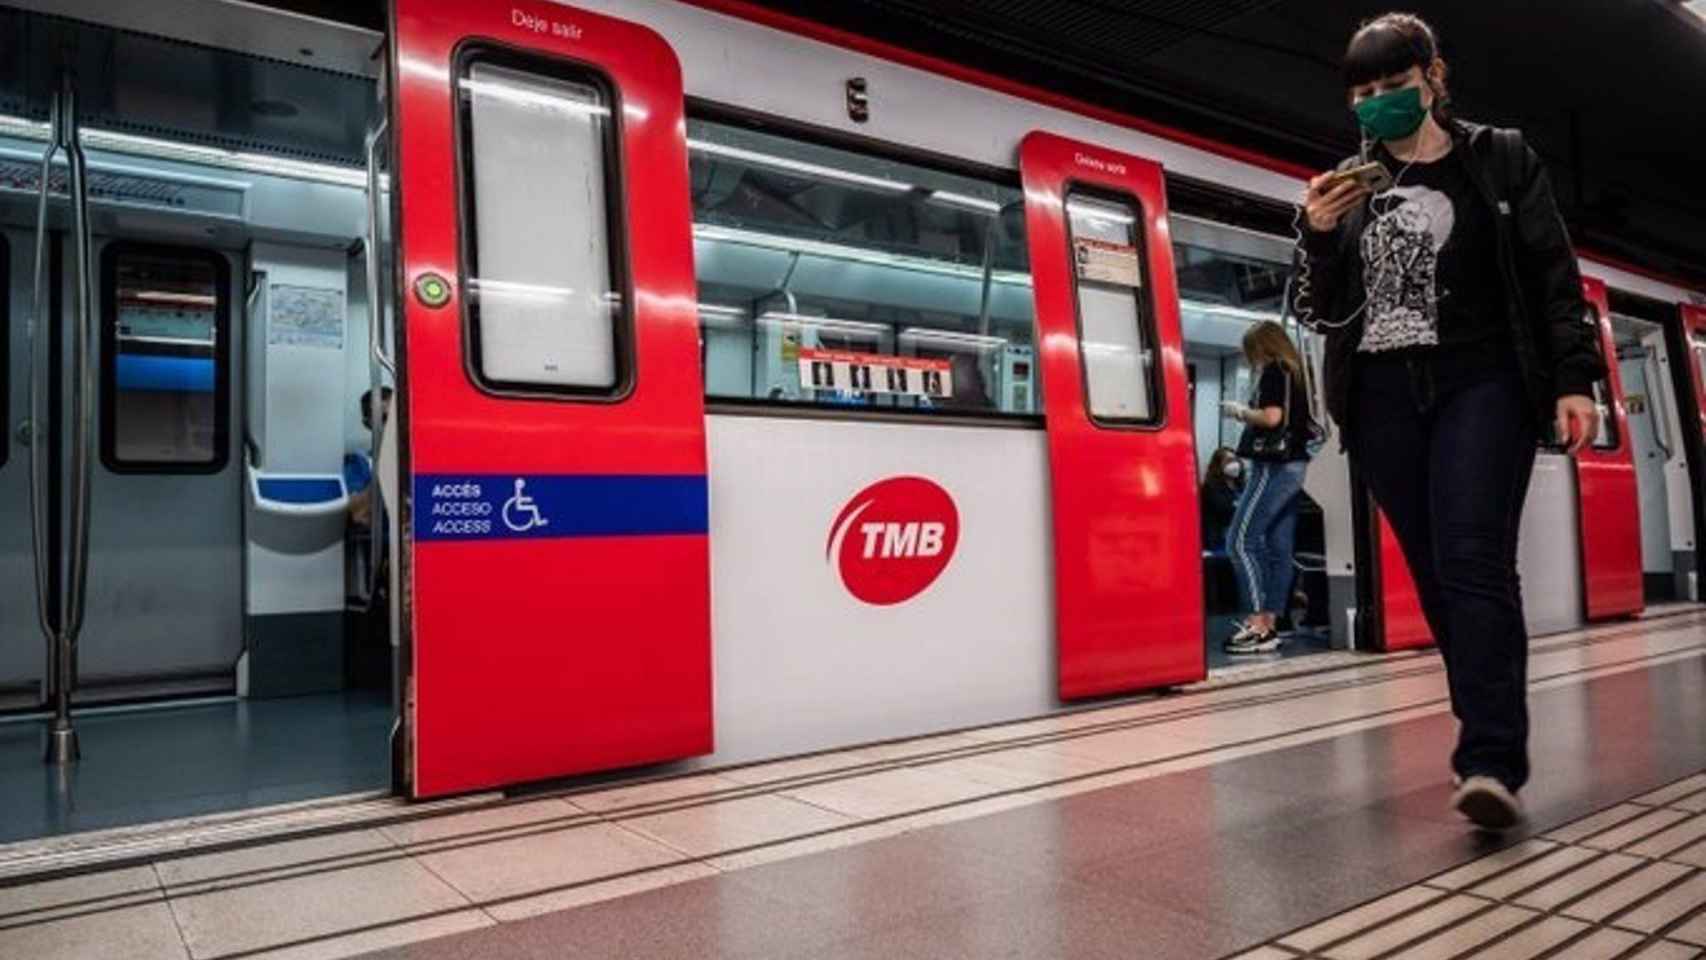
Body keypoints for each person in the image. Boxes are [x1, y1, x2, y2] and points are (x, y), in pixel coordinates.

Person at [1294, 13, 1603, 829]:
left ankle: (1491, 758)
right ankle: (1486, 729)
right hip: (1384, 395)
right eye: (1362, 93)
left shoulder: (1498, 158)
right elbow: (1328, 312)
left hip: (1484, 379)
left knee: (1473, 558)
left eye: (1393, 86)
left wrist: (1574, 377)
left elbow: (1550, 269)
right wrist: (1320, 237)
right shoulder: (1351, 187)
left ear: (1433, 78)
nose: (1377, 103)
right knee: (1435, 574)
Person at [1221, 321, 1313, 656]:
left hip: (1272, 466)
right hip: (1295, 467)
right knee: (1278, 549)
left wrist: (1241, 412)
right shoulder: (1299, 374)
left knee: (1240, 540)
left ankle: (1258, 623)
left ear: (1262, 347)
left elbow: (1272, 418)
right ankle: (1273, 624)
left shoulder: (1275, 371)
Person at [1199, 447, 1244, 553]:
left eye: (1236, 460)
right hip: (1219, 541)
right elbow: (1225, 509)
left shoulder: (1240, 486)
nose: (1235, 464)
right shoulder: (1211, 487)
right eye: (1229, 461)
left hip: (1237, 538)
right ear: (1218, 465)